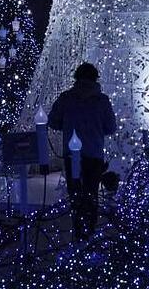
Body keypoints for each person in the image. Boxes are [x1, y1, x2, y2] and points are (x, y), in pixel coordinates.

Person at [48, 62, 116, 240]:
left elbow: (53, 121)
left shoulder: (66, 98)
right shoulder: (102, 100)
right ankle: (90, 230)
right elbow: (110, 127)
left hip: (72, 155)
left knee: (75, 193)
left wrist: (69, 124)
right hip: (94, 154)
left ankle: (78, 229)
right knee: (91, 192)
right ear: (95, 78)